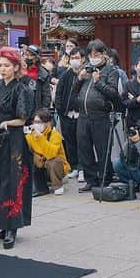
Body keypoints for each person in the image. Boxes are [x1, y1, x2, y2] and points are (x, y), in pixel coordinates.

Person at [0, 47, 36, 249]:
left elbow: (23, 118)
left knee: (12, 180)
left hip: (13, 140)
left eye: (6, 66)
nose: (2, 69)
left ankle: (12, 226)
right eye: (0, 66)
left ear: (16, 67)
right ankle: (1, 221)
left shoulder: (22, 89)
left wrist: (8, 123)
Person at [74, 39, 122, 192]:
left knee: (102, 149)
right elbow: (74, 92)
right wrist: (79, 79)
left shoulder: (111, 71)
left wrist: (98, 81)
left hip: (101, 116)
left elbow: (114, 94)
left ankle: (104, 179)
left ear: (104, 54)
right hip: (83, 116)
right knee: (84, 149)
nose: (93, 57)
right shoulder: (86, 69)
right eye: (91, 54)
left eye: (97, 54)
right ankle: (90, 179)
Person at [54, 45, 84, 183]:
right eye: (72, 58)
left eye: (77, 58)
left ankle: (83, 168)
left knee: (82, 142)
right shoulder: (65, 74)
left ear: (83, 59)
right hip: (66, 114)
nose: (74, 60)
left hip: (81, 114)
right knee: (70, 142)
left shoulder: (85, 74)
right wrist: (60, 110)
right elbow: (59, 93)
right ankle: (74, 167)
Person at [25, 107, 69, 196]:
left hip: (57, 168)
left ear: (47, 123)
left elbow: (51, 154)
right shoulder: (30, 136)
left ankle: (58, 185)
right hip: (40, 166)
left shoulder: (55, 135)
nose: (36, 125)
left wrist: (40, 137)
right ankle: (37, 185)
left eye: (39, 122)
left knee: (53, 161)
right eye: (35, 122)